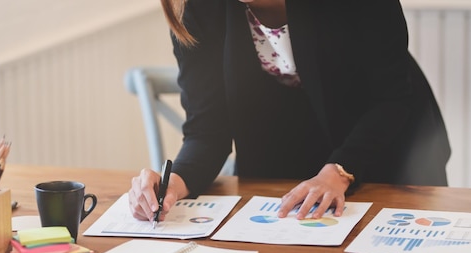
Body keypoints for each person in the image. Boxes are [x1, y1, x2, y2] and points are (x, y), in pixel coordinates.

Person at [128, 0, 451, 223]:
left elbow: (392, 99)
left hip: (386, 149)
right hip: (288, 164)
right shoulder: (196, 8)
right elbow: (207, 131)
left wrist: (339, 170)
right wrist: (175, 182)